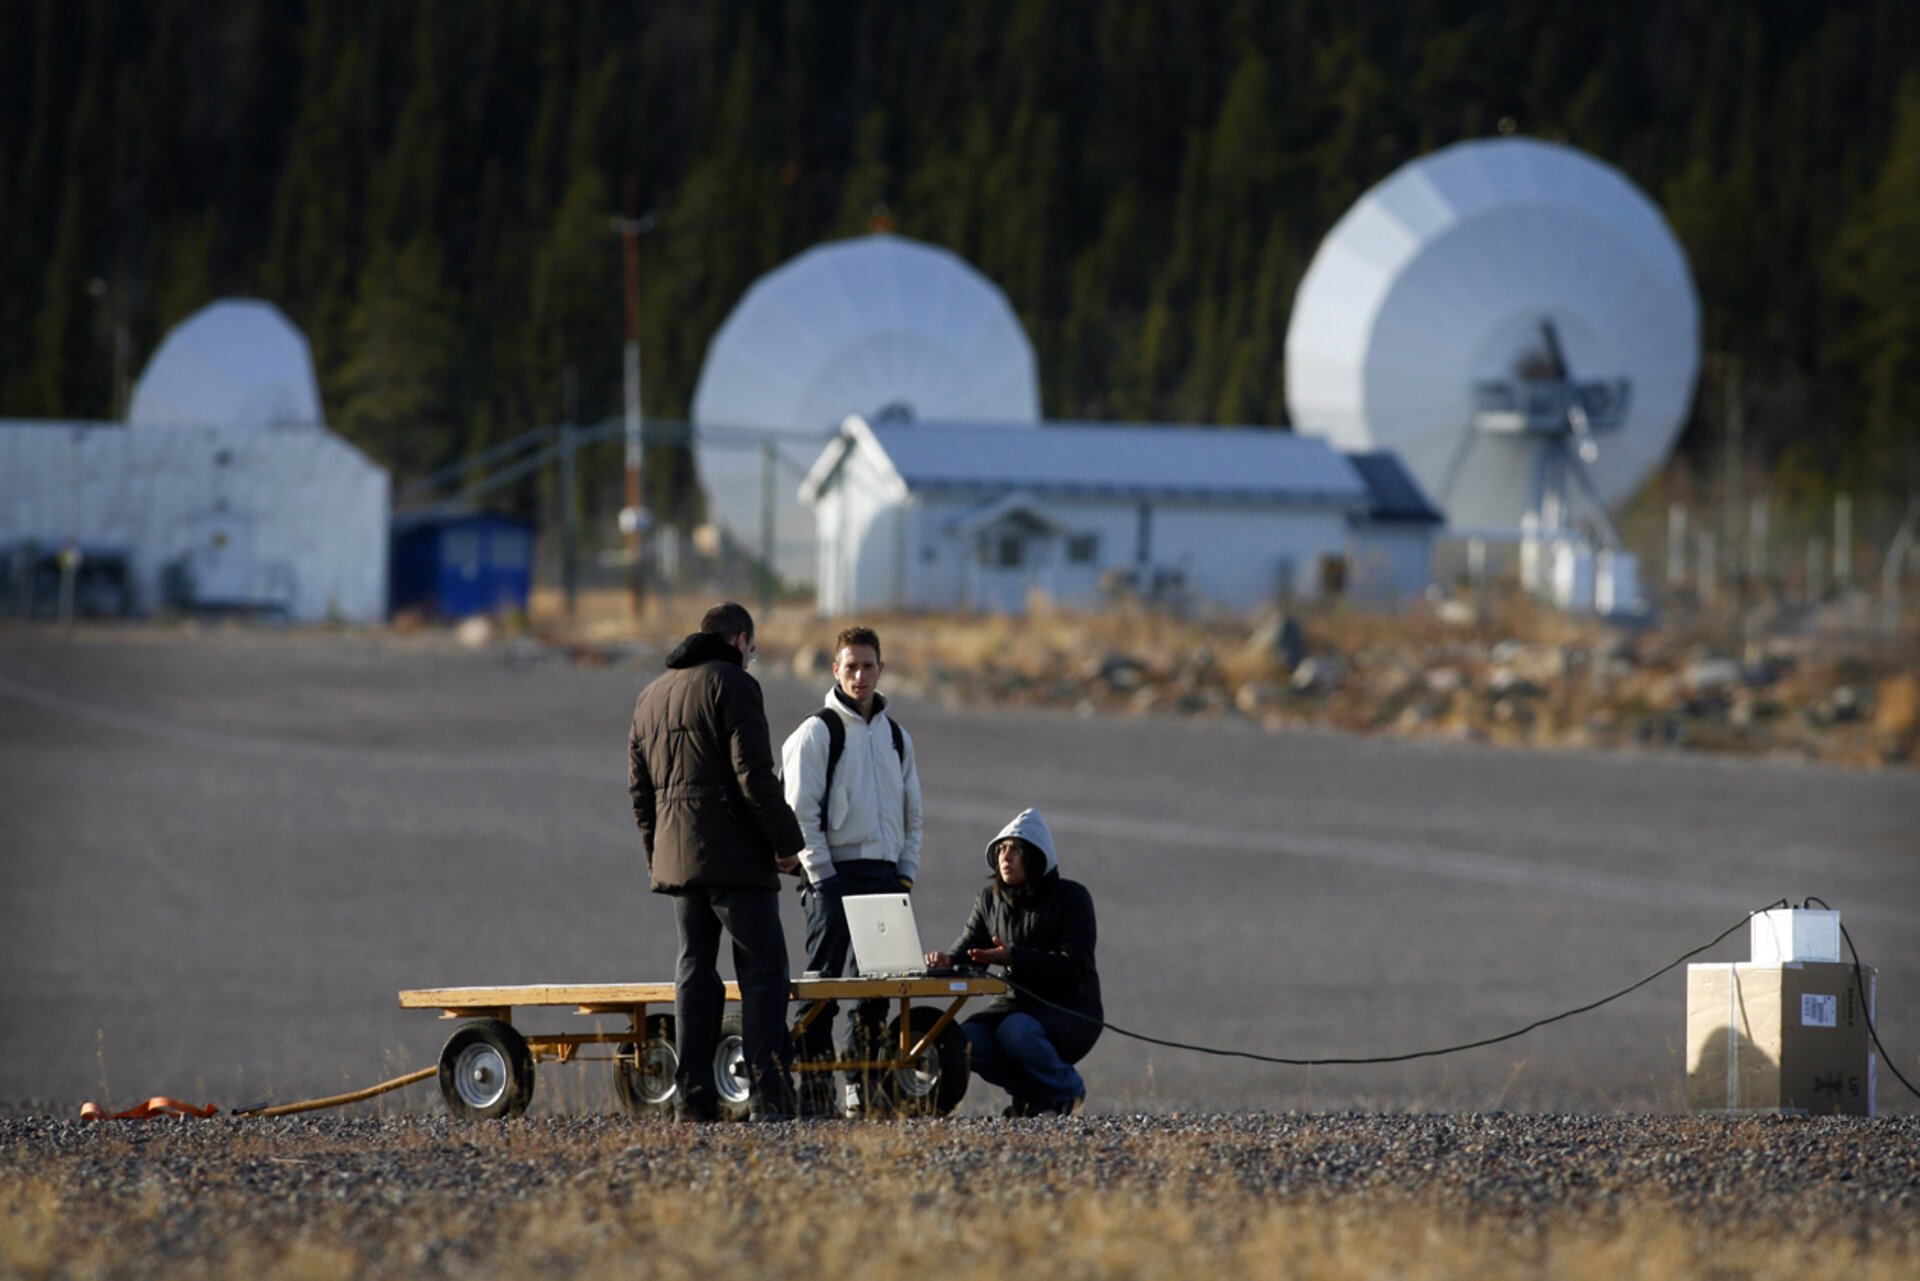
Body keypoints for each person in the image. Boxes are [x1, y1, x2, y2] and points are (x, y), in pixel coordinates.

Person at [628, 602, 806, 1121]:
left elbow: (640, 793)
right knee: (764, 972)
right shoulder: (735, 685)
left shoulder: (649, 696)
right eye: (753, 648)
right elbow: (753, 774)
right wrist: (786, 842)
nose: (753, 657)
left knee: (694, 972)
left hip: (678, 860)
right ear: (741, 640)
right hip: (735, 858)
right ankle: (770, 1097)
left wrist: (656, 855)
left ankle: (693, 1098)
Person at [780, 625, 923, 1113]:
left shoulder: (898, 738)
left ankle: (860, 1086)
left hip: (884, 878)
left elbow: (913, 814)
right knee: (822, 987)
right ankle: (815, 1089)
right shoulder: (817, 732)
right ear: (836, 670)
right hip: (832, 877)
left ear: (882, 669)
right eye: (851, 666)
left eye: (868, 665)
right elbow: (799, 811)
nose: (860, 675)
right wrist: (821, 876)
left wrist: (904, 874)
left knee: (877, 991)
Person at [925, 808, 1101, 1116]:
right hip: (1014, 1007)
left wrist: (1014, 957)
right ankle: (1032, 1098)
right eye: (1001, 850)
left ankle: (1066, 1093)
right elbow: (971, 952)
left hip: (1070, 1008)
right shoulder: (990, 900)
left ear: (1035, 856)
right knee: (964, 1043)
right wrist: (947, 961)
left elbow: (1075, 965)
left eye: (1015, 850)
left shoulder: (1072, 898)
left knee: (1015, 1032)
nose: (1005, 857)